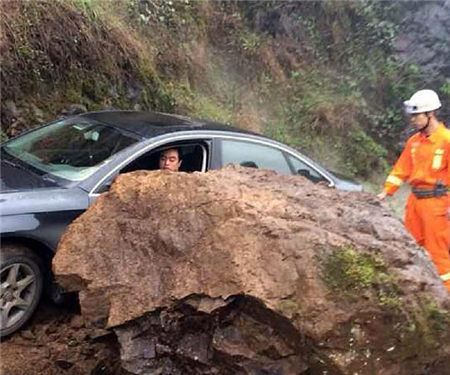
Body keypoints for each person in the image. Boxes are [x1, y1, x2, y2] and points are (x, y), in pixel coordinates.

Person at [377, 89, 450, 292]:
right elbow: (400, 170)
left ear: (430, 114)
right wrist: (386, 191)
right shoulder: (414, 142)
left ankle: (446, 301)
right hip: (414, 204)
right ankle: (418, 294)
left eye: (416, 115)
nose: (413, 120)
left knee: (438, 254)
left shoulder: (446, 141)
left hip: (437, 205)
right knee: (409, 249)